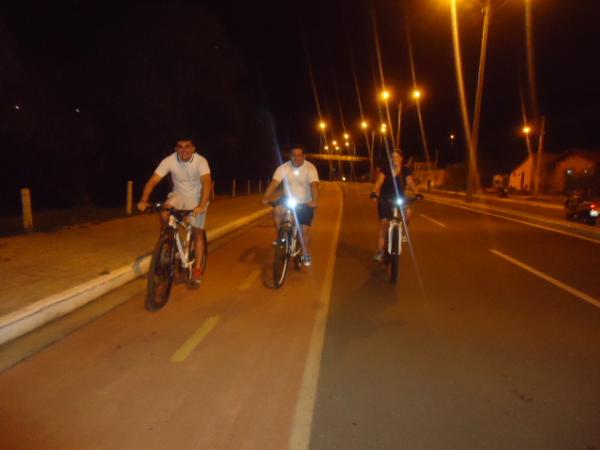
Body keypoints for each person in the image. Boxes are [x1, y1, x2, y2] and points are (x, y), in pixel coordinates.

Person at [137, 136, 211, 284]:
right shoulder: (169, 160)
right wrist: (144, 200)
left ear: (193, 148)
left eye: (187, 146)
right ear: (176, 149)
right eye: (180, 146)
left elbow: (207, 182)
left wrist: (202, 205)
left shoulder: (200, 161)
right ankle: (169, 241)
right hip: (179, 195)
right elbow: (153, 180)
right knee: (165, 211)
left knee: (197, 232)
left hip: (198, 197)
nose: (183, 150)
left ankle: (197, 269)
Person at [261, 145, 319, 266]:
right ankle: (281, 236)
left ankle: (306, 254)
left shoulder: (310, 168)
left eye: (299, 155)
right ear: (290, 156)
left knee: (305, 230)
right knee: (277, 211)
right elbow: (274, 183)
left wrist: (314, 201)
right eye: (294, 155)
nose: (296, 158)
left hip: (305, 201)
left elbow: (314, 186)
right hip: (288, 199)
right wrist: (266, 197)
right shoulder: (283, 168)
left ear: (304, 156)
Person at [370, 149, 420, 262]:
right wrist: (374, 192)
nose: (394, 158)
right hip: (385, 199)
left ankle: (402, 233)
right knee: (383, 225)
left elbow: (410, 182)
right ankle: (381, 253)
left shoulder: (405, 170)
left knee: (408, 212)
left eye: (397, 156)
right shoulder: (386, 169)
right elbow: (379, 181)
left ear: (401, 158)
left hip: (399, 199)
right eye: (393, 156)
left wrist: (417, 193)